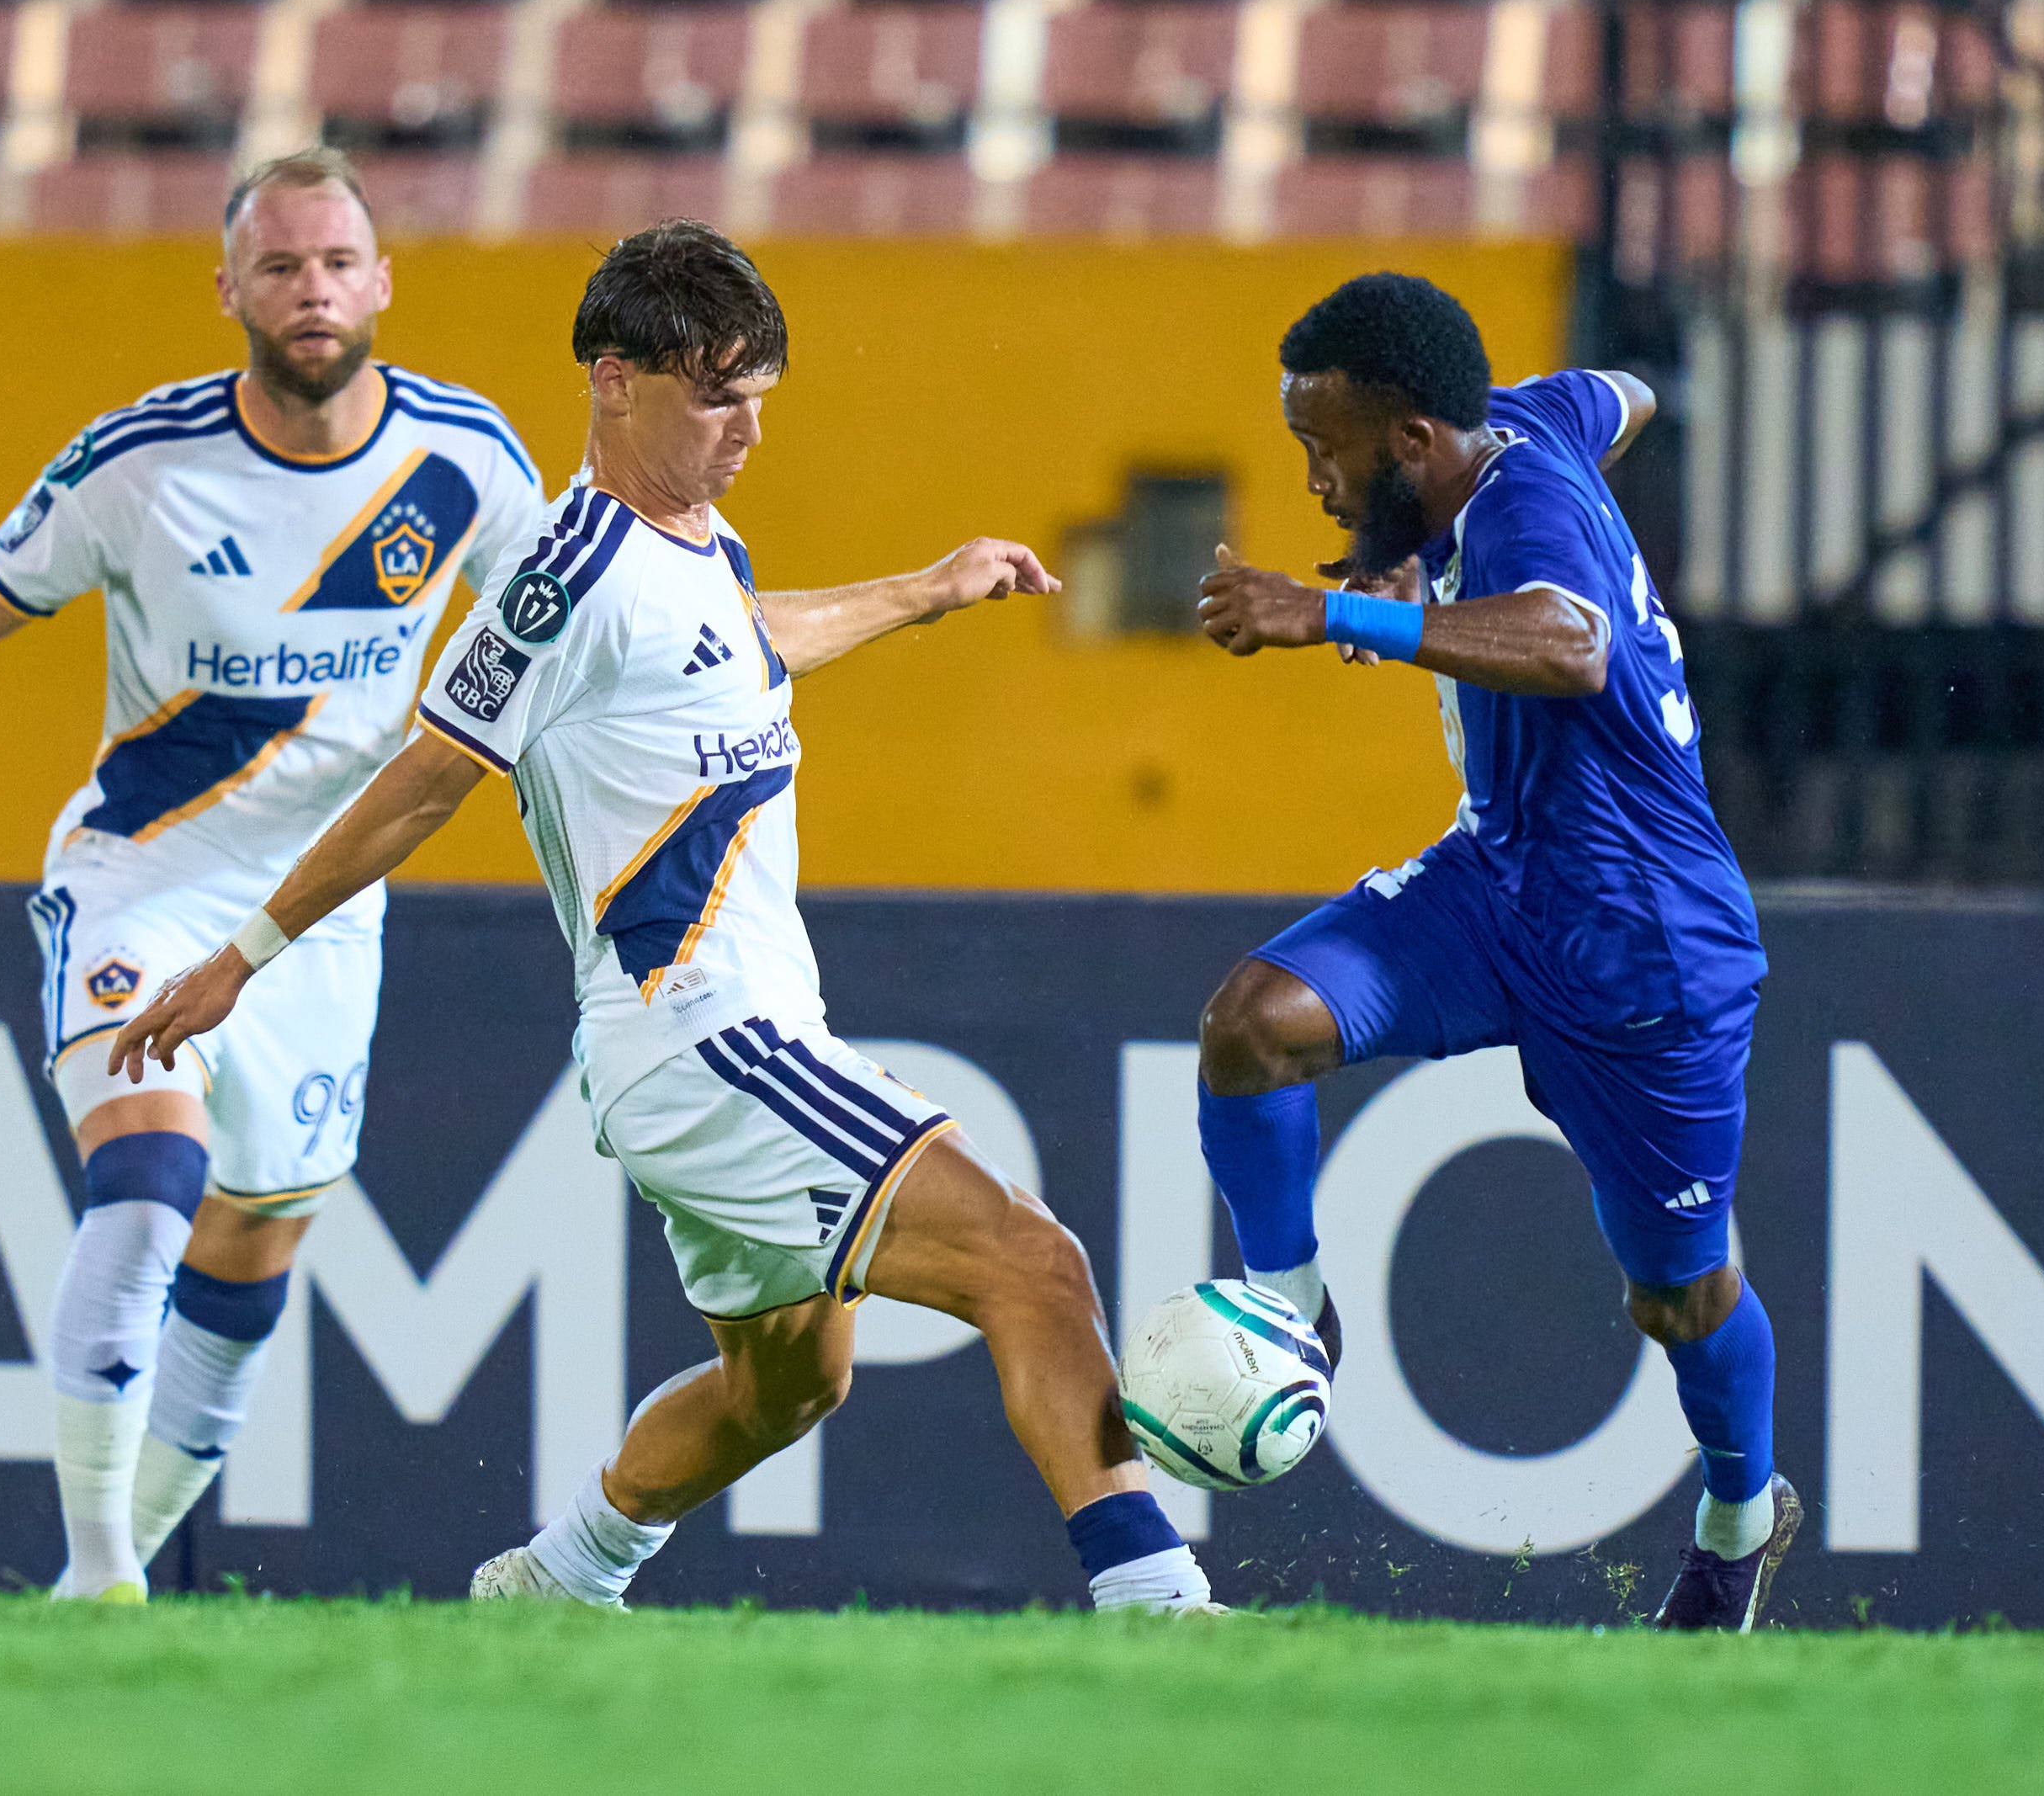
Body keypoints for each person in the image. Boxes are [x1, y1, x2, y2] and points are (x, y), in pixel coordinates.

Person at [112, 220, 1220, 1615]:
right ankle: (1157, 1605)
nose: (745, 429)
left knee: (785, 1388)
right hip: (706, 1039)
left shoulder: (695, 541)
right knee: (1034, 1266)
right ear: (612, 378)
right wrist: (242, 958)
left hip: (713, 1043)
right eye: (715, 397)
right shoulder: (561, 577)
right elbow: (425, 783)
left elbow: (739, 641)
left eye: (759, 396)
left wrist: (925, 591)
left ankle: (555, 1581)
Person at [0, 149, 545, 1601]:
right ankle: (108, 1578)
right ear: (229, 287)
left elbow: (568, 641)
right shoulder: (139, 465)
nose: (314, 290)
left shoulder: (467, 458)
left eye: (338, 263)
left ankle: (85, 1599)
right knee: (152, 1176)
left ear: (383, 278)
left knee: (253, 1244)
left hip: (321, 909)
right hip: (146, 880)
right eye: (283, 266)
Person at [1192, 270, 1794, 1631]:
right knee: (1254, 1023)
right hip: (1499, 883)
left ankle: (1742, 1519)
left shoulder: (1521, 499)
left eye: (1324, 452)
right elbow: (1621, 398)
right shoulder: (1527, 421)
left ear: (1411, 442)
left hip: (1644, 952)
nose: (1312, 483)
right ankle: (1287, 1320)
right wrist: (1411, 556)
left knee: (1681, 1302)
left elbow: (1571, 645)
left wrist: (1336, 610)